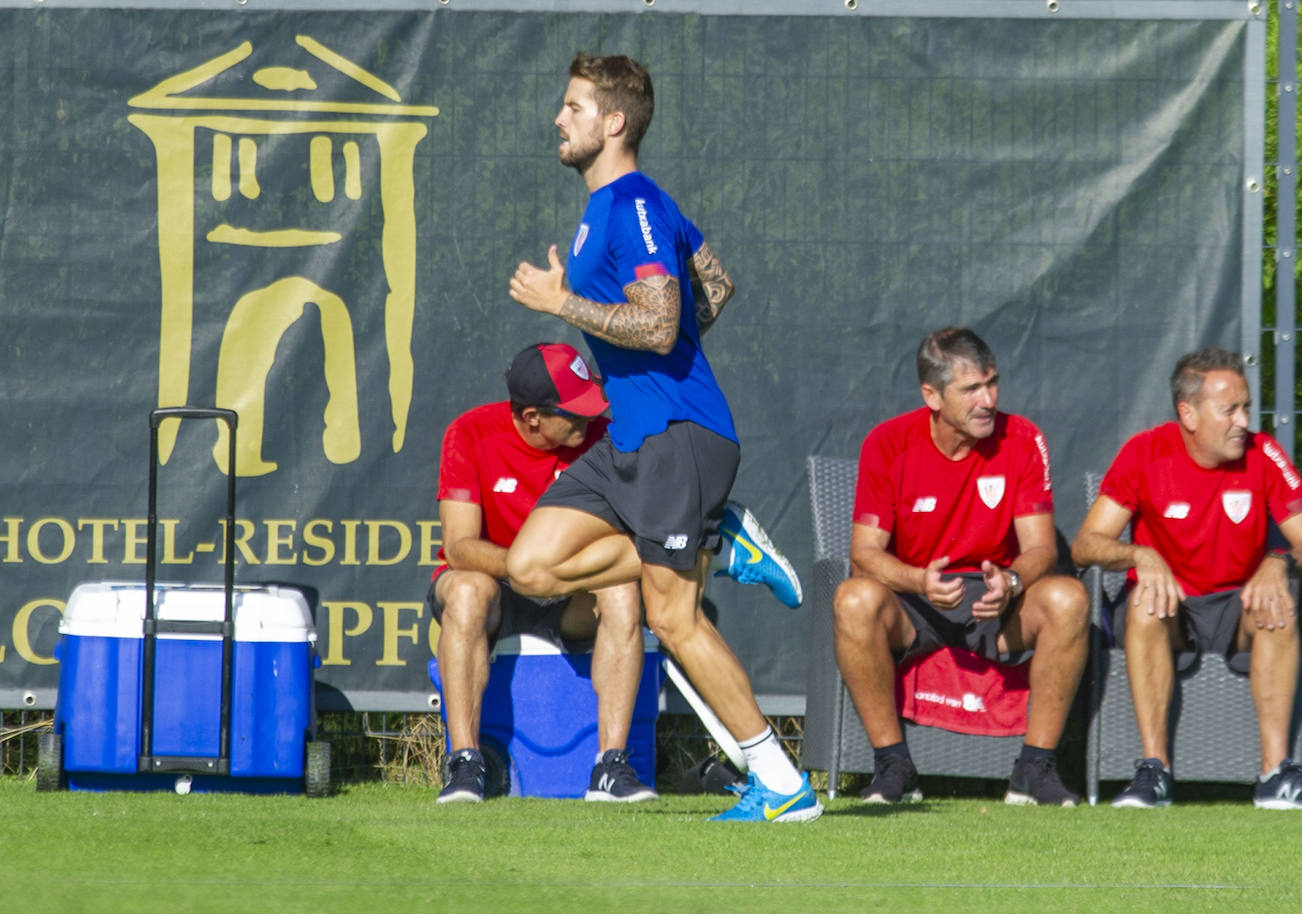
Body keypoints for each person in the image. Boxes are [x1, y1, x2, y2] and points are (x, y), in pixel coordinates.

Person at [504, 52, 820, 823]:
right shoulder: (613, 209)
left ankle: (782, 783)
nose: (560, 118)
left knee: (672, 617)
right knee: (531, 565)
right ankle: (723, 540)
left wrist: (564, 302)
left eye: (574, 107)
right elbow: (717, 285)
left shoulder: (636, 202)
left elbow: (663, 319)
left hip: (679, 434)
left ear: (614, 123)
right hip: (633, 439)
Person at [833, 327, 1089, 807]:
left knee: (1069, 598)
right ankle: (893, 766)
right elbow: (864, 554)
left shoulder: (1025, 438)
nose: (987, 400)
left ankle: (1034, 768)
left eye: (992, 383)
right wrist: (918, 581)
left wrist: (1012, 581)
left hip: (997, 602)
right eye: (971, 389)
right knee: (852, 598)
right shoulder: (887, 443)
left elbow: (1041, 550)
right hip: (915, 601)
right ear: (931, 395)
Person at [1071, 346, 1302, 809]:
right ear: (1188, 413)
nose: (1243, 421)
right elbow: (1086, 544)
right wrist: (1142, 554)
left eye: (1246, 407)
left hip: (1239, 608)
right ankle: (1154, 772)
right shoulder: (1145, 452)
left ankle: (1275, 776)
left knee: (1277, 601)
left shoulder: (1264, 453)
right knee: (1143, 600)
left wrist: (1277, 562)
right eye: (1230, 410)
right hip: (1172, 609)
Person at [431, 342, 654, 804]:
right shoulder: (470, 432)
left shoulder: (605, 439)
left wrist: (554, 575)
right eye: (575, 413)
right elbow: (459, 548)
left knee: (620, 588)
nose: (589, 419)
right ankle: (466, 763)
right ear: (533, 417)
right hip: (496, 592)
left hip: (572, 596)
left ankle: (610, 767)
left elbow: (633, 534)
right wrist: (528, 571)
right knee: (468, 590)